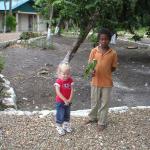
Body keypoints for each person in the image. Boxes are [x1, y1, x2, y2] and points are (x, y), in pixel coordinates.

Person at [85, 28, 118, 131]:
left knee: (104, 103)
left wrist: (105, 71)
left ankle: (102, 122)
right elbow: (90, 65)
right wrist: (91, 71)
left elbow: (113, 67)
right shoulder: (94, 51)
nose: (104, 41)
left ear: (109, 40)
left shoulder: (113, 53)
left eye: (106, 39)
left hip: (107, 83)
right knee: (94, 101)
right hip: (95, 81)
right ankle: (92, 117)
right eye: (102, 39)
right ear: (98, 40)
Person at [54, 63, 74, 136]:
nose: (66, 75)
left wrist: (70, 99)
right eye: (64, 74)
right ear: (59, 73)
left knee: (67, 113)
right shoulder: (58, 81)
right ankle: (59, 126)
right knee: (60, 114)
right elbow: (58, 92)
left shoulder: (70, 80)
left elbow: (72, 90)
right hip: (60, 102)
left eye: (68, 73)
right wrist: (65, 100)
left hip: (68, 101)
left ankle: (65, 125)